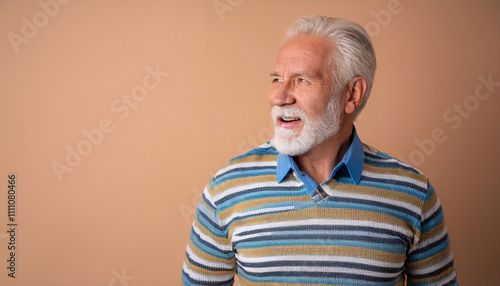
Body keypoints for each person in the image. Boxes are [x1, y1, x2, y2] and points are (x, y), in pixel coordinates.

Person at [181, 15, 458, 286]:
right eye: (277, 79)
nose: (278, 97)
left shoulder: (414, 194)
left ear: (352, 94)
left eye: (302, 80)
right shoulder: (225, 190)